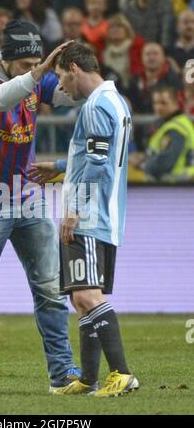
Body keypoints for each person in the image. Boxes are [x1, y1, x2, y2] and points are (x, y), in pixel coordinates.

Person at [0, 19, 82, 395]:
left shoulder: (33, 75)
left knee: (50, 289)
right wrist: (38, 74)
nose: (34, 70)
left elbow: (68, 95)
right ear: (9, 60)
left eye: (37, 64)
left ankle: (62, 372)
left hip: (26, 196)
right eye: (27, 65)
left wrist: (78, 71)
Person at [28, 42, 139, 397]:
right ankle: (89, 379)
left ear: (74, 69)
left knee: (88, 296)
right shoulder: (116, 102)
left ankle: (121, 373)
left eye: (61, 77)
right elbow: (96, 155)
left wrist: (74, 210)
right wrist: (61, 167)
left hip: (89, 215)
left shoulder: (94, 106)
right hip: (105, 213)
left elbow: (96, 164)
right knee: (79, 298)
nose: (60, 87)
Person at [129, 86, 194, 182]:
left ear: (176, 103)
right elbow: (158, 152)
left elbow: (165, 162)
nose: (158, 107)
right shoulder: (168, 123)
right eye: (155, 103)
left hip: (177, 184)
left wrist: (142, 164)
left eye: (163, 103)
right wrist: (143, 156)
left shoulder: (175, 128)